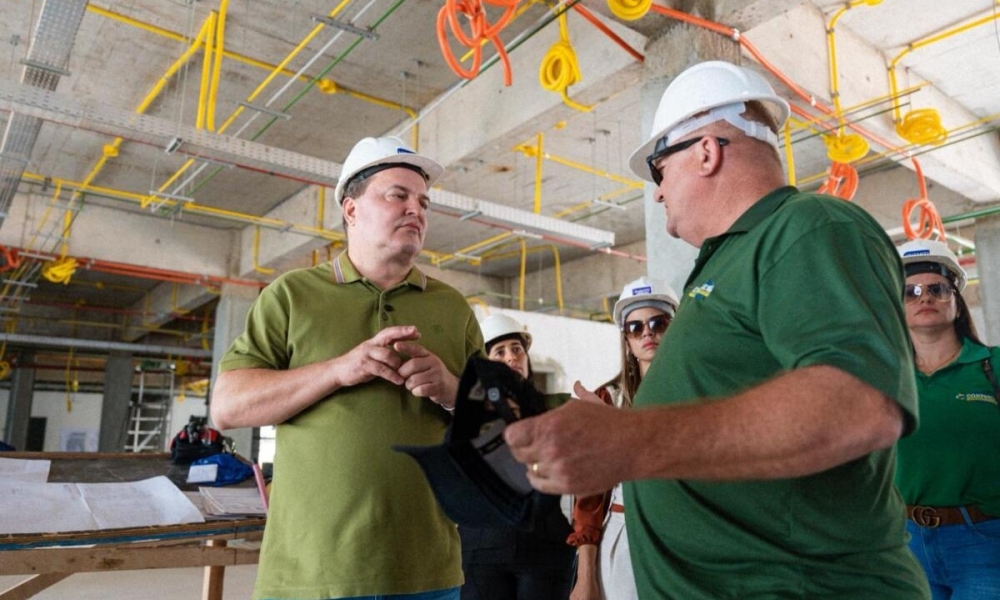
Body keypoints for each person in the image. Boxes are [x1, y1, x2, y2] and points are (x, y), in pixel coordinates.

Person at [502, 59, 930, 598]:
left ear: (706, 150)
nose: (656, 195)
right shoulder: (726, 262)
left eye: (659, 172)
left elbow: (857, 405)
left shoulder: (807, 226)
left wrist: (631, 439)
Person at [211, 135, 484, 600]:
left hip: (427, 572)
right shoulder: (292, 295)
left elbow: (503, 430)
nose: (415, 209)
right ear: (351, 209)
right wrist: (339, 369)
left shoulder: (453, 308)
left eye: (423, 201)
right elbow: (227, 407)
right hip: (311, 574)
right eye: (398, 195)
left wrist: (450, 390)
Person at [895, 238, 1000, 599]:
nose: (924, 298)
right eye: (911, 292)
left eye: (937, 289)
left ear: (957, 301)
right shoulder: (884, 378)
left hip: (984, 542)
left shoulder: (993, 367)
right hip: (904, 543)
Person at [567, 276, 678, 600]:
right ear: (626, 340)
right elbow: (588, 498)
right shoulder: (606, 399)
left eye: (659, 323)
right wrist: (585, 577)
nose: (648, 333)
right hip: (623, 535)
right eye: (635, 327)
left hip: (684, 534)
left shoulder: (699, 393)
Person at [459, 312, 575, 600]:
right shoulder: (466, 415)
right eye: (499, 352)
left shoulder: (556, 406)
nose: (512, 357)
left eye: (517, 349)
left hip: (545, 543)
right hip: (483, 546)